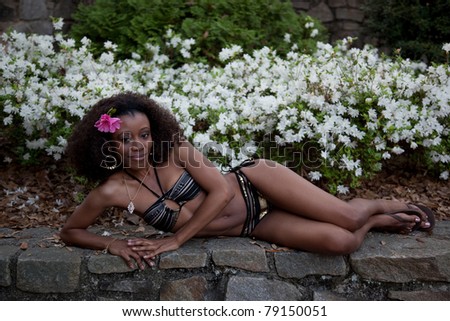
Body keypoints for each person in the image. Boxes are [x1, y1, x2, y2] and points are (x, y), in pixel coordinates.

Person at [60, 92, 435, 270]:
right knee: (342, 240)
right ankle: (376, 221)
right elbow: (71, 232)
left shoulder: (176, 151)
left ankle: (379, 206)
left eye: (144, 134)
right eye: (125, 139)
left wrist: (175, 240)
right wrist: (112, 245)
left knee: (348, 219)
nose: (138, 145)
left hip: (256, 184)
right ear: (105, 143)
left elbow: (222, 191)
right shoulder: (111, 191)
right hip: (250, 226)